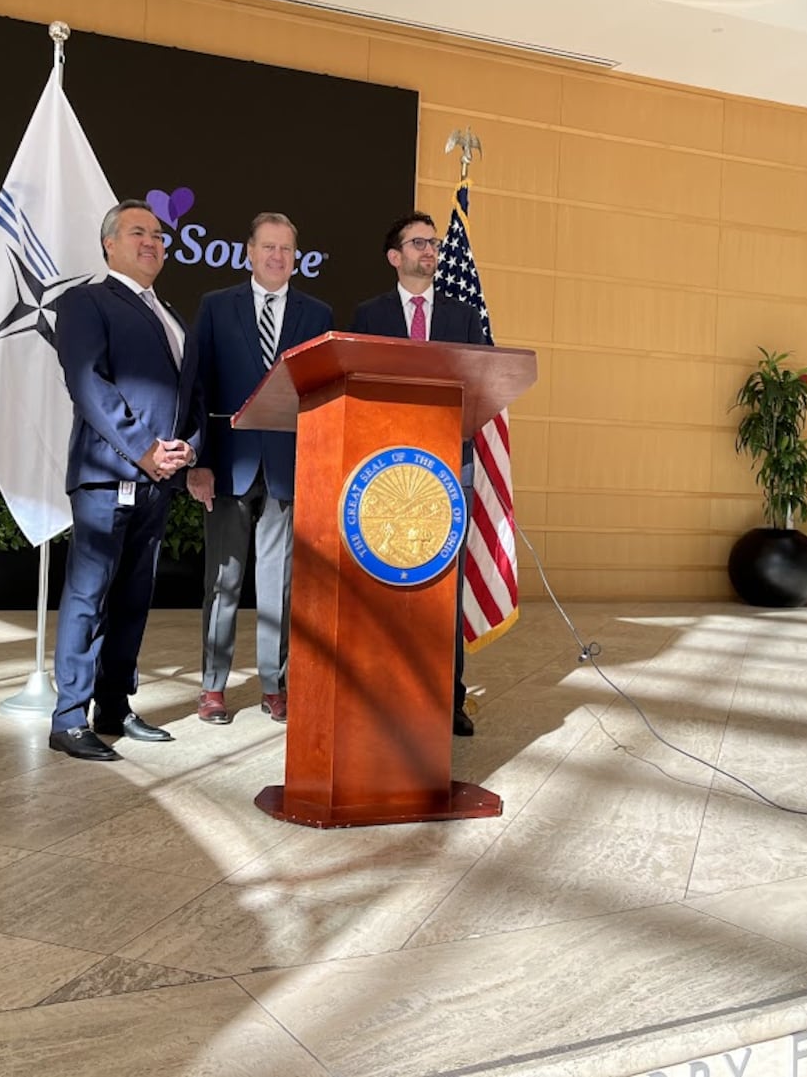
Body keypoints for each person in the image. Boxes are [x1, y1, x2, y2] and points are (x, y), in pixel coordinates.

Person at [48, 199, 204, 762]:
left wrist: (190, 447)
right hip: (106, 475)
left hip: (158, 481)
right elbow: (87, 383)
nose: (153, 242)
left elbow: (192, 398)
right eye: (139, 232)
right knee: (89, 596)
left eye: (159, 235)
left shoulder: (171, 315)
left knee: (134, 598)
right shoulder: (85, 301)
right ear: (109, 244)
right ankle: (68, 718)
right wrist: (142, 450)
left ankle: (113, 707)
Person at [187, 213, 334, 725]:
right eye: (268, 247)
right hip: (227, 466)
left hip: (287, 470)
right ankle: (213, 688)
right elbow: (197, 387)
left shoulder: (318, 316)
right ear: (249, 252)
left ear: (297, 257)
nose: (277, 257)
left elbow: (322, 396)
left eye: (286, 250)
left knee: (280, 584)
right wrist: (197, 461)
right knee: (222, 581)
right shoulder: (215, 308)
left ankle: (276, 684)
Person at [349, 211, 488, 736]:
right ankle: (382, 691)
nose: (430, 251)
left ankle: (446, 697)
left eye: (434, 243)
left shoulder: (463, 317)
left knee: (442, 589)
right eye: (419, 243)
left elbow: (482, 383)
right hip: (384, 471)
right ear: (395, 256)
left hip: (449, 466)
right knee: (386, 584)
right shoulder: (368, 315)